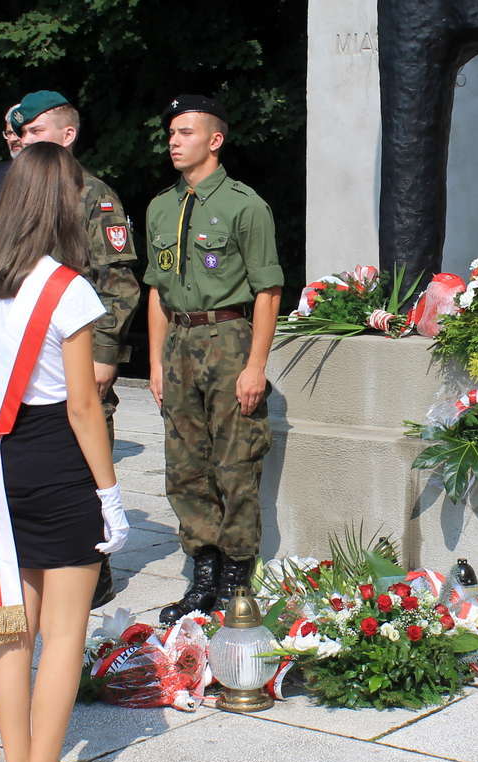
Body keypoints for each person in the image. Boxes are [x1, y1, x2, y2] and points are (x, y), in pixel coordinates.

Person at [0, 142, 129, 762]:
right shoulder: (69, 288)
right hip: (60, 460)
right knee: (63, 634)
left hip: (1, 459)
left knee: (9, 631)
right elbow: (86, 405)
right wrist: (110, 495)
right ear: (63, 207)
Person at [143, 95, 283, 624]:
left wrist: (255, 365)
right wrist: (156, 363)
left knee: (235, 463)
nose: (174, 141)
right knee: (185, 465)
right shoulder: (161, 206)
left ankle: (235, 580)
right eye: (171, 133)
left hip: (227, 338)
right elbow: (156, 290)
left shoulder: (246, 206)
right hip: (178, 341)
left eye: (184, 132)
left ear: (214, 140)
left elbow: (268, 290)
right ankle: (202, 575)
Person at [9, 89, 141, 608]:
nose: (25, 142)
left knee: (87, 457)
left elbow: (118, 281)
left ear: (68, 136)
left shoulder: (95, 196)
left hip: (78, 349)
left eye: (36, 132)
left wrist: (103, 352)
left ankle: (95, 568)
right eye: (21, 133)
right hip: (25, 358)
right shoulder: (17, 193)